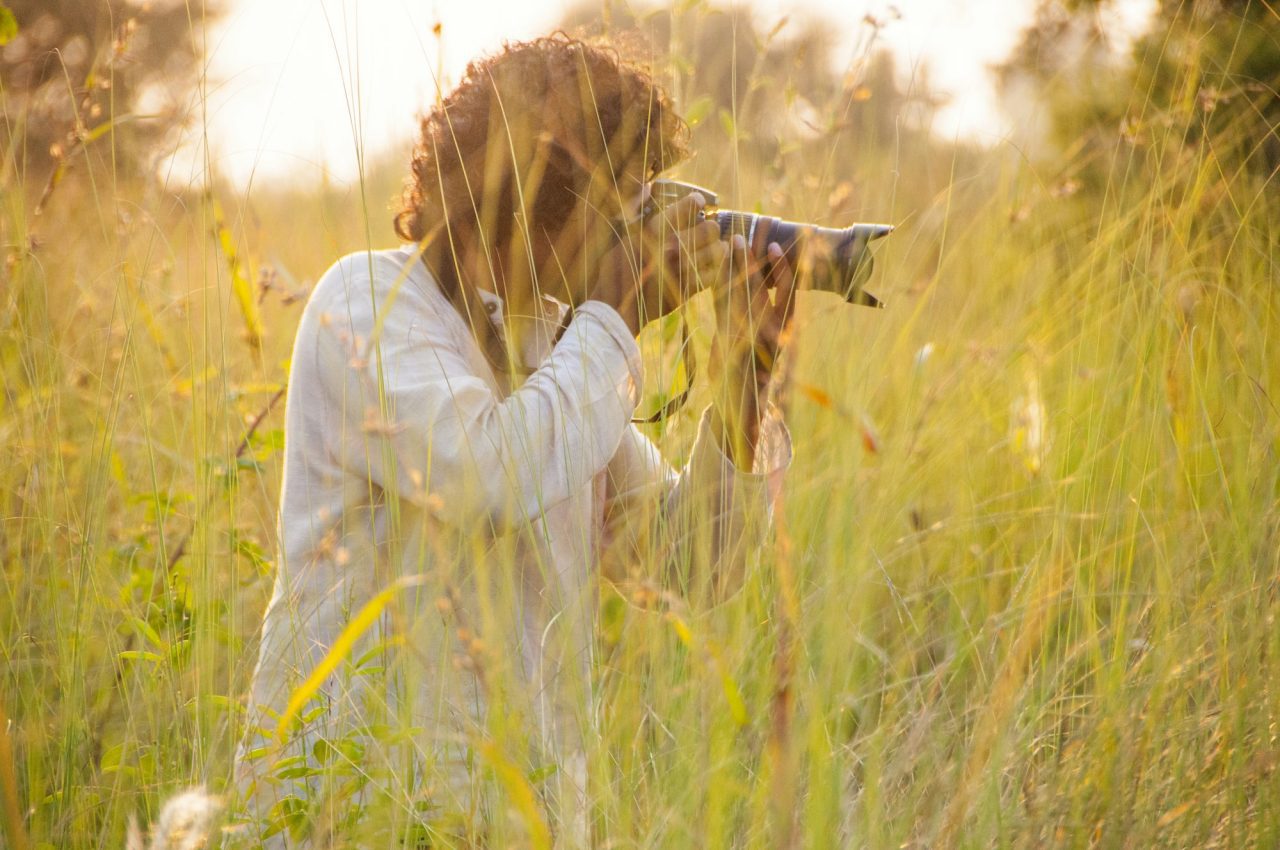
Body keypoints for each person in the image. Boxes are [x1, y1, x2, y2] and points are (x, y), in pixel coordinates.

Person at [234, 33, 796, 849]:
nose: (633, 240)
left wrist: (747, 380)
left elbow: (690, 566)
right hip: (350, 813)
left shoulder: (550, 340)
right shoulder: (366, 303)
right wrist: (617, 316)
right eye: (620, 210)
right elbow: (484, 477)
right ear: (531, 200)